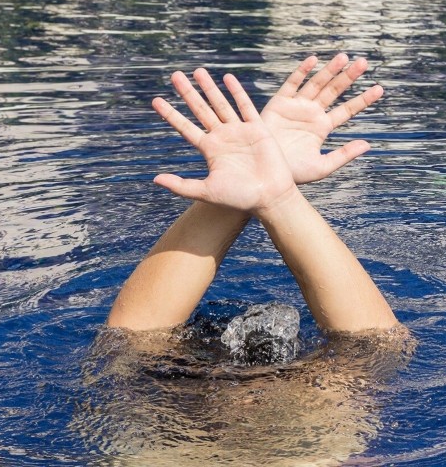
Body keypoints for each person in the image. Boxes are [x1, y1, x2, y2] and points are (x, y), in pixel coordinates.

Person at [106, 54, 406, 336]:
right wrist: (276, 197)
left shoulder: (151, 388)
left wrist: (271, 193)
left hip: (181, 379)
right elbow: (377, 345)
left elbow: (129, 338)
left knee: (126, 357)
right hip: (309, 384)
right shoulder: (336, 385)